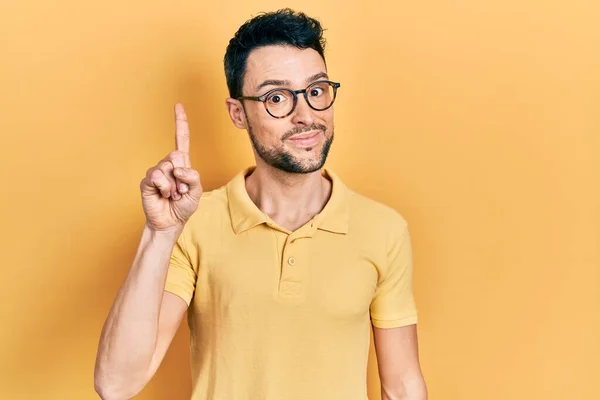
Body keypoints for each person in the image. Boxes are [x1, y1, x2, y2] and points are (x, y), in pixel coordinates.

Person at [94, 8, 427, 400]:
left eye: (317, 91)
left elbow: (403, 386)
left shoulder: (383, 229)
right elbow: (115, 384)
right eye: (277, 98)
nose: (306, 116)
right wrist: (160, 233)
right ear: (239, 113)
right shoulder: (194, 224)